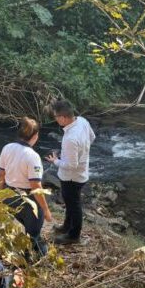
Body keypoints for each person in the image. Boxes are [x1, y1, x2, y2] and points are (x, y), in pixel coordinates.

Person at [0, 117, 53, 256]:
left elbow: (1, 174)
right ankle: (32, 259)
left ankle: (26, 250)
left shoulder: (7, 147)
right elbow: (35, 186)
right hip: (27, 200)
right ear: (35, 136)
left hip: (9, 196)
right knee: (33, 234)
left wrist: (0, 194)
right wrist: (46, 210)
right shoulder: (32, 156)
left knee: (26, 226)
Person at [46, 100, 96, 245]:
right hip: (82, 172)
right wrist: (82, 152)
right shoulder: (82, 121)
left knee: (74, 205)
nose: (55, 119)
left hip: (72, 177)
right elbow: (92, 138)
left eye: (56, 116)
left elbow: (71, 165)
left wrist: (55, 161)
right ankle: (66, 227)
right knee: (70, 202)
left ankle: (74, 236)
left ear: (63, 117)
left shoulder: (71, 138)